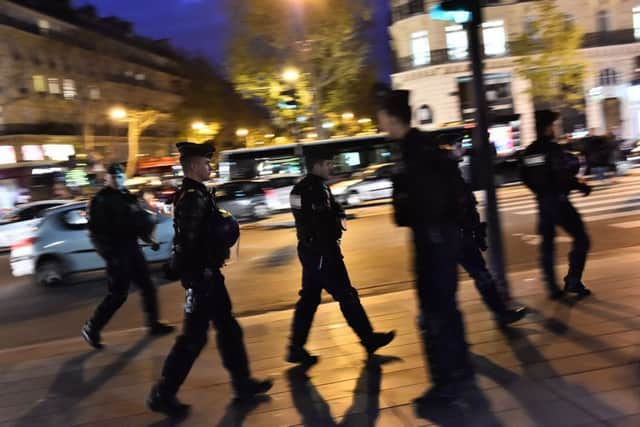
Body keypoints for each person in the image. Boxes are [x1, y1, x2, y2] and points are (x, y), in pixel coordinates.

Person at [147, 142, 272, 417]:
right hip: (202, 277)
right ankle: (163, 394)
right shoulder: (192, 197)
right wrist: (183, 271)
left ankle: (242, 384)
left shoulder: (197, 194)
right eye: (206, 163)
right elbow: (186, 241)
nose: (210, 167)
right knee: (193, 339)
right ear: (193, 166)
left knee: (228, 330)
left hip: (208, 274)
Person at [377, 89, 473, 407]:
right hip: (441, 239)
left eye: (381, 115)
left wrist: (418, 221)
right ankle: (460, 370)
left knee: (434, 315)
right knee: (448, 310)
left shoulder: (412, 152)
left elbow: (420, 203)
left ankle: (444, 383)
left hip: (432, 243)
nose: (379, 121)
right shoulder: (424, 147)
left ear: (392, 118)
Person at [285, 151, 396, 366]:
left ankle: (295, 348)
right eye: (327, 163)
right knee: (346, 295)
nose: (330, 168)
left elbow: (306, 219)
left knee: (309, 300)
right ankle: (368, 339)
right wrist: (337, 221)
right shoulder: (316, 189)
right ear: (316, 165)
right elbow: (323, 221)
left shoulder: (299, 188)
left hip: (310, 252)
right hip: (324, 253)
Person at [82, 163, 174, 349]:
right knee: (118, 295)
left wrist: (150, 240)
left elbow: (138, 223)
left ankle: (153, 324)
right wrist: (109, 255)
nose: (117, 179)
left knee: (148, 287)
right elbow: (95, 234)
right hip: (116, 252)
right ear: (107, 178)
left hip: (133, 249)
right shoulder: (101, 200)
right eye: (113, 176)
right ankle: (92, 327)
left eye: (120, 176)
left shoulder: (129, 197)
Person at [521, 110, 592, 299]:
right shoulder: (553, 150)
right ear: (547, 128)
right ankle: (573, 280)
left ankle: (552, 287)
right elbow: (563, 175)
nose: (556, 128)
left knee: (547, 245)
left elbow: (525, 177)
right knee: (582, 239)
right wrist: (580, 186)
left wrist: (540, 191)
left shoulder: (529, 151)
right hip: (559, 202)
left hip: (543, 203)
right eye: (554, 125)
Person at [459, 184, 526, 325]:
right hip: (454, 238)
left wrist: (477, 232)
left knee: (481, 275)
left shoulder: (449, 173)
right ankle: (500, 313)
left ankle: (500, 312)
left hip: (460, 236)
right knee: (480, 275)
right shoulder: (443, 174)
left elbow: (469, 206)